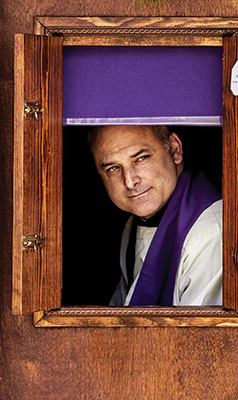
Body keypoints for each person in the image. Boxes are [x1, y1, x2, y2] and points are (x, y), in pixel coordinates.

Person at [88, 125, 222, 306]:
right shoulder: (133, 224)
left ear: (174, 149)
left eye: (141, 158)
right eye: (113, 168)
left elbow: (199, 332)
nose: (130, 182)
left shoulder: (210, 230)